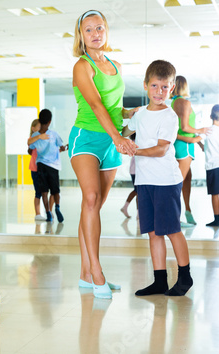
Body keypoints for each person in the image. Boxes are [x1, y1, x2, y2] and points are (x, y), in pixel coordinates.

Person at [68, 10, 137, 298]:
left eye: (99, 28)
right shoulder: (81, 67)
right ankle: (97, 272)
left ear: (106, 31)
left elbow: (113, 107)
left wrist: (135, 113)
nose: (95, 34)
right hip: (86, 139)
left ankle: (86, 273)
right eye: (88, 30)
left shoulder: (116, 65)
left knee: (93, 208)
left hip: (111, 141)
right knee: (91, 199)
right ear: (81, 36)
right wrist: (118, 136)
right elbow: (95, 106)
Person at [122, 59, 193, 297]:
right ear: (145, 85)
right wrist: (121, 130)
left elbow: (161, 150)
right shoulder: (140, 113)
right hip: (144, 181)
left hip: (165, 181)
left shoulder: (170, 117)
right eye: (155, 86)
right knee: (153, 233)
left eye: (165, 87)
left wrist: (133, 149)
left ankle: (185, 277)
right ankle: (160, 281)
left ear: (172, 88)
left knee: (172, 230)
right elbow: (125, 131)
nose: (159, 92)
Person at [171, 76, 209, 226]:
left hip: (184, 145)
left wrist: (199, 143)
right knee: (178, 182)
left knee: (186, 179)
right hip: (184, 146)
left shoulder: (174, 102)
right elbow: (186, 127)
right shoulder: (185, 102)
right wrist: (202, 131)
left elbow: (184, 127)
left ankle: (187, 211)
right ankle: (175, 216)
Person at [28, 109, 67, 222]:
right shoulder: (54, 134)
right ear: (50, 121)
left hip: (40, 165)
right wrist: (64, 148)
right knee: (55, 191)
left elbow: (30, 150)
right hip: (53, 166)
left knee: (44, 192)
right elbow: (61, 147)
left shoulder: (35, 135)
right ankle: (57, 207)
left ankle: (48, 213)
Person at [27, 119, 52, 221]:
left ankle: (49, 212)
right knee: (38, 192)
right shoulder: (33, 139)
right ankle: (37, 214)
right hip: (35, 169)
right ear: (33, 129)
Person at [203, 104, 219, 227]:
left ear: (210, 116)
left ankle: (217, 220)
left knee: (215, 193)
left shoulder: (207, 131)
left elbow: (195, 139)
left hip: (213, 166)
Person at [120, 134, 138, 218]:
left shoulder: (135, 142)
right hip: (136, 171)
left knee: (138, 192)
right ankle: (126, 207)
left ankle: (138, 213)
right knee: (138, 191)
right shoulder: (136, 143)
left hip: (136, 170)